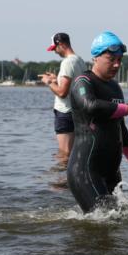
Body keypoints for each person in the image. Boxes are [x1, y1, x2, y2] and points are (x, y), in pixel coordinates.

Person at [66, 31, 128, 213]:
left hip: (111, 172)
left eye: (120, 59)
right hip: (85, 171)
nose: (117, 64)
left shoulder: (114, 87)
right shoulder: (82, 82)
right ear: (96, 57)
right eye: (111, 58)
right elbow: (90, 106)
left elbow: (120, 127)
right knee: (103, 223)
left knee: (121, 221)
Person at [41, 32, 87, 166]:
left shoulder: (67, 63)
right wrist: (56, 79)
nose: (55, 52)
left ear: (60, 44)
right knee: (72, 152)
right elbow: (78, 87)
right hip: (77, 112)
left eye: (55, 48)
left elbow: (62, 92)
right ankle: (68, 183)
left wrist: (49, 82)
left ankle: (60, 184)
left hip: (65, 113)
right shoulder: (79, 60)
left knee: (64, 153)